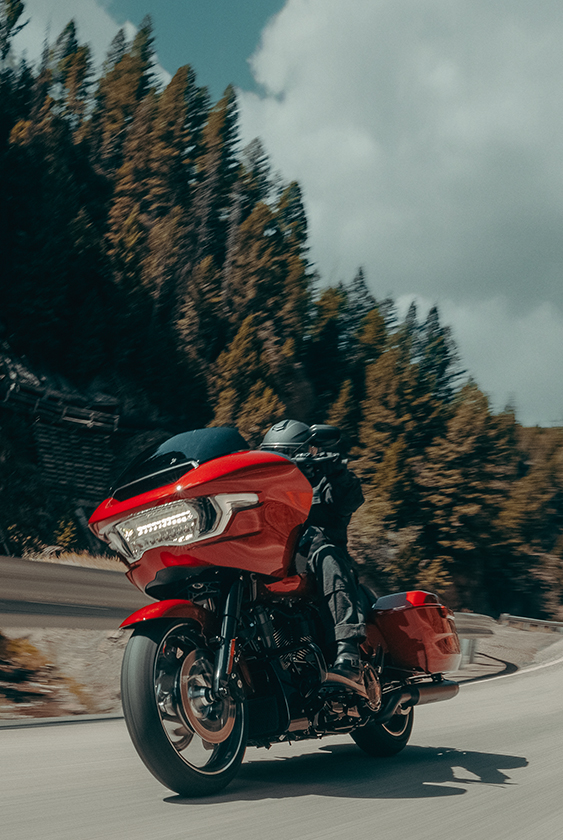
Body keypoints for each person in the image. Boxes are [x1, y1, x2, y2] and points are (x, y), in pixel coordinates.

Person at [260, 419, 367, 683]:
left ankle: (348, 651)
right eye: (277, 454)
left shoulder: (324, 482)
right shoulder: (266, 491)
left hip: (320, 560)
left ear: (308, 452)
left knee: (326, 554)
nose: (284, 461)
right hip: (279, 562)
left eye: (290, 454)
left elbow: (349, 499)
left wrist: (336, 471)